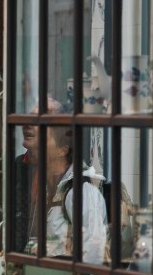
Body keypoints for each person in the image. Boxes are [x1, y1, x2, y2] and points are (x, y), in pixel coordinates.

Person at [15, 97, 108, 264]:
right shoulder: (36, 179)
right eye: (30, 117)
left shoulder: (81, 191)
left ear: (63, 149)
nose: (29, 124)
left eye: (41, 122)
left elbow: (94, 257)